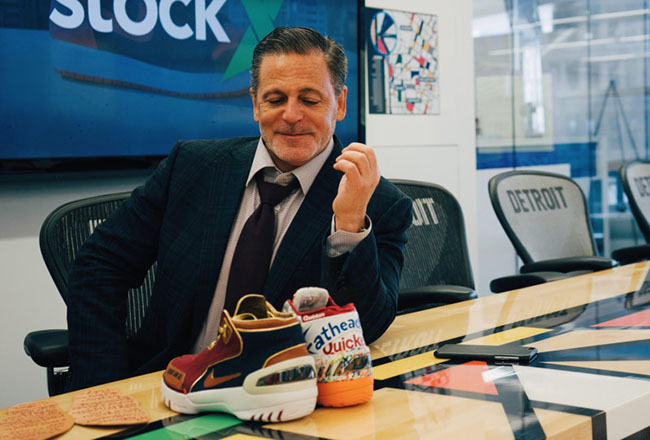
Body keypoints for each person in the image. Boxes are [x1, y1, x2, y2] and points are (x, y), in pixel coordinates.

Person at [65, 26, 412, 391]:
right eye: (275, 99)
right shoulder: (192, 166)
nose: (291, 115)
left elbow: (368, 327)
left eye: (310, 100)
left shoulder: (380, 204)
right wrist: (102, 386)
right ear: (255, 104)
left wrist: (349, 225)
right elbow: (98, 265)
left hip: (288, 397)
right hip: (172, 388)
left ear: (339, 103)